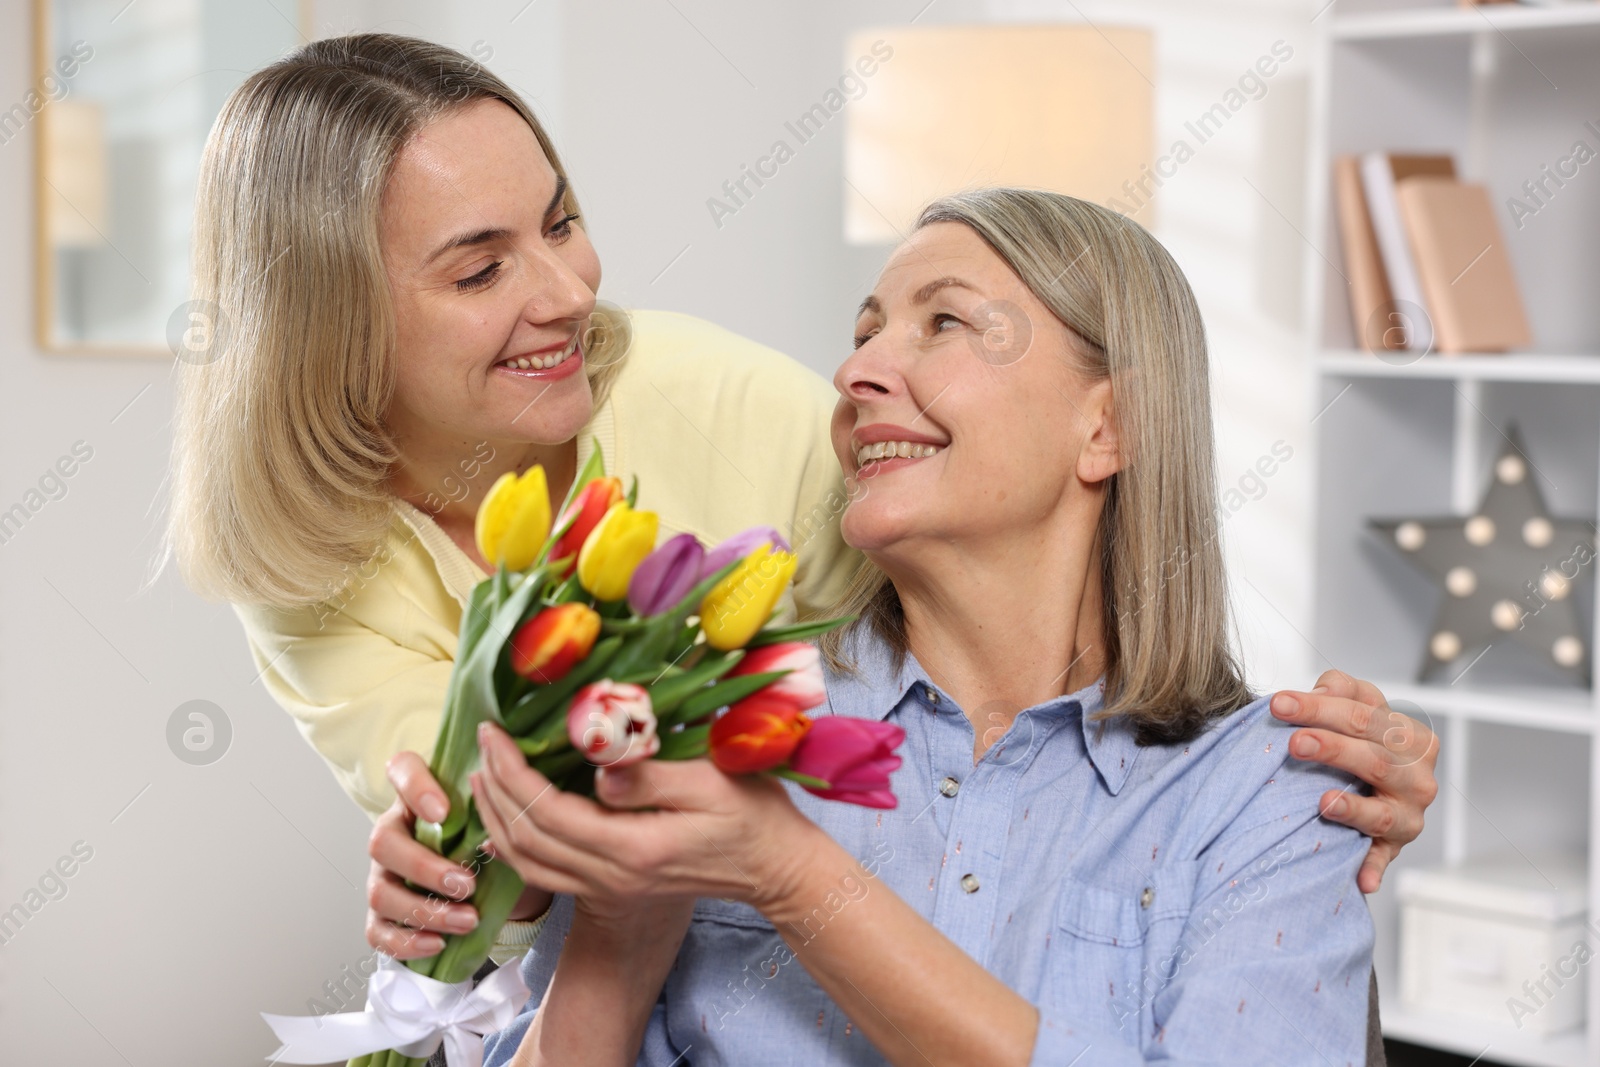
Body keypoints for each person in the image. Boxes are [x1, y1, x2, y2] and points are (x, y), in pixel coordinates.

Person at [161, 30, 1434, 1029]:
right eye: (479, 267)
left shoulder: (721, 406)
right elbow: (521, 866)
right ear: (337, 324)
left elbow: (1028, 602)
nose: (571, 288)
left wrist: (1293, 761)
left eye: (559, 221)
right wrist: (464, 867)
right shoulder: (306, 570)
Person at [469, 188, 1382, 1065]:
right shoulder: (703, 724)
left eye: (943, 323)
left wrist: (788, 871)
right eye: (864, 332)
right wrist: (621, 915)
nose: (855, 371)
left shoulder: (1271, 791)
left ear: (1111, 423)